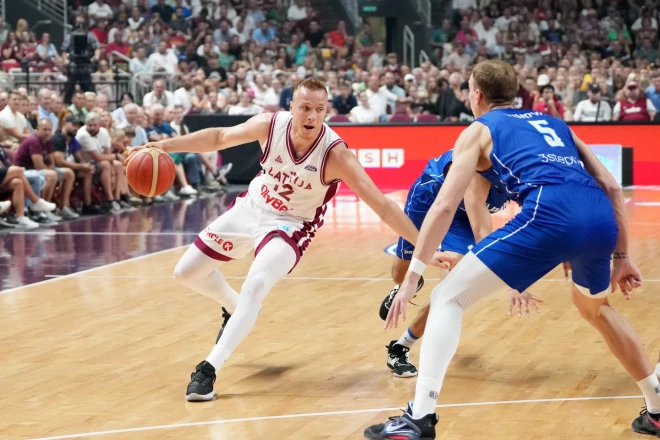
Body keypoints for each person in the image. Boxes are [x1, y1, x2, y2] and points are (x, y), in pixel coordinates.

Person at [364, 59, 659, 439]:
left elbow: (444, 206)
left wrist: (412, 280)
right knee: (597, 308)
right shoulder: (555, 123)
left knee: (448, 299)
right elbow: (613, 187)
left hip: (547, 212)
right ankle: (656, 408)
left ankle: (419, 417)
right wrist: (623, 255)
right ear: (517, 94)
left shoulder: (479, 128)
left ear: (477, 95)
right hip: (599, 217)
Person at [129, 78, 419, 402]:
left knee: (256, 284)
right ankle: (232, 305)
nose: (311, 116)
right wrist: (165, 146)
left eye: (319, 110)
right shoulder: (270, 125)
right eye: (305, 108)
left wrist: (424, 248)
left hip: (292, 224)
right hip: (252, 207)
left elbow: (381, 205)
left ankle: (208, 368)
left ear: (326, 112)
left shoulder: (335, 154)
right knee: (185, 272)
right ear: (291, 107)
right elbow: (220, 137)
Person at [377, 149, 542, 378]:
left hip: (461, 217)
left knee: (448, 291)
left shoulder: (523, 174)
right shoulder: (480, 169)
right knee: (401, 274)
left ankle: (401, 347)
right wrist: (513, 280)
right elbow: (482, 235)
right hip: (429, 201)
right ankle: (406, 284)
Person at [13, 118, 79, 220]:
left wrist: (51, 168)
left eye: (49, 129)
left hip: (38, 170)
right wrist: (50, 170)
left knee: (69, 173)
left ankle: (63, 207)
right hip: (25, 171)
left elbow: (51, 161)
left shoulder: (48, 141)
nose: (47, 132)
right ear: (37, 129)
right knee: (51, 175)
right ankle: (42, 209)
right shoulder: (33, 141)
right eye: (44, 129)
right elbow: (39, 165)